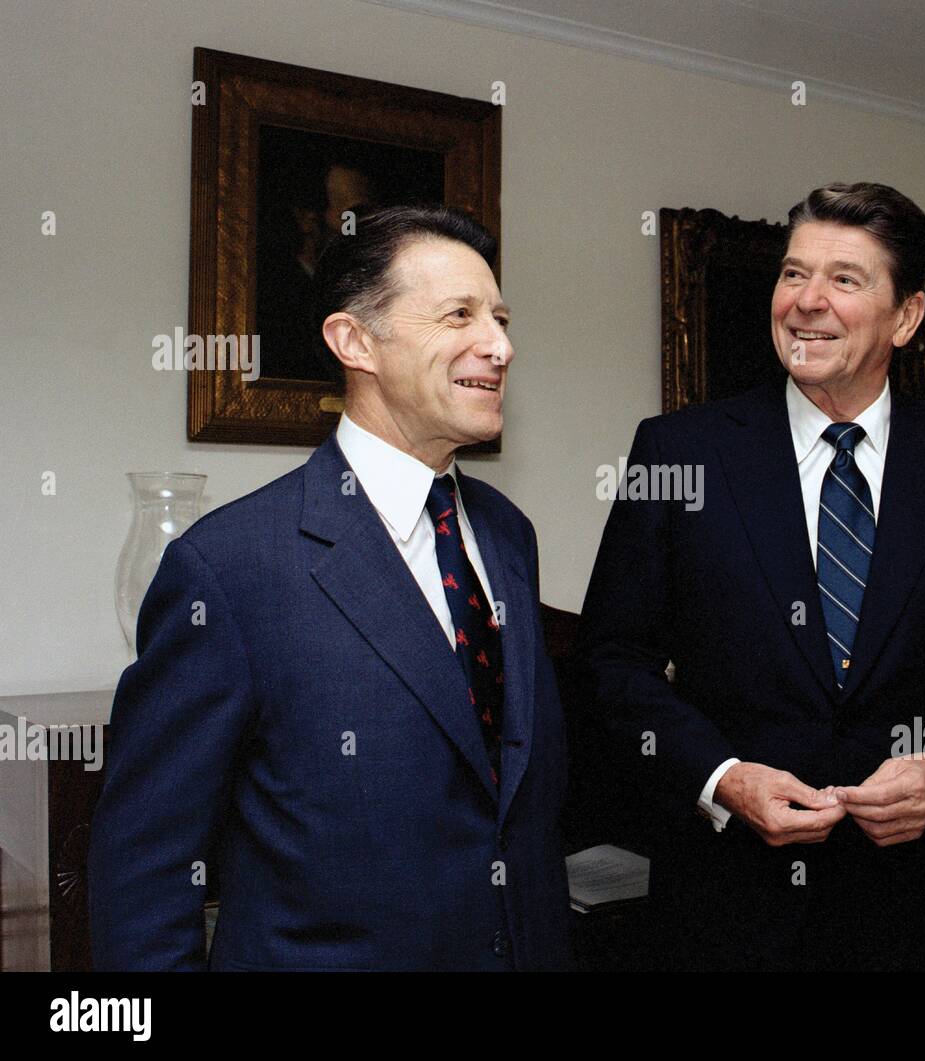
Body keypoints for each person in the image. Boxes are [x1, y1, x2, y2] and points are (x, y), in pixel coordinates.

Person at [578, 182, 925, 971]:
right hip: (725, 908)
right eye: (792, 273)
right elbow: (614, 657)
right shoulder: (678, 453)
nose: (806, 301)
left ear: (906, 316)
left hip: (915, 909)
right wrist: (722, 777)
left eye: (844, 279)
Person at [89, 204, 571, 971]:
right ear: (354, 341)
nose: (501, 345)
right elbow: (144, 870)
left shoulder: (509, 534)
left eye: (502, 318)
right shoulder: (230, 568)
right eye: (460, 315)